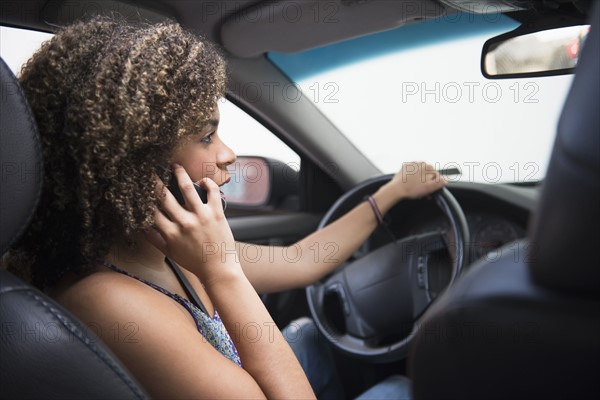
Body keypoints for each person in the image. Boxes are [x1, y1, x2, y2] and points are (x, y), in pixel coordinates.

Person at [5, 16, 446, 399]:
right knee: (401, 389)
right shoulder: (110, 301)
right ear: (131, 164)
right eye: (205, 136)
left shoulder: (169, 253)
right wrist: (221, 269)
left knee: (309, 336)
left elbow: (302, 260)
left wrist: (391, 192)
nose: (229, 153)